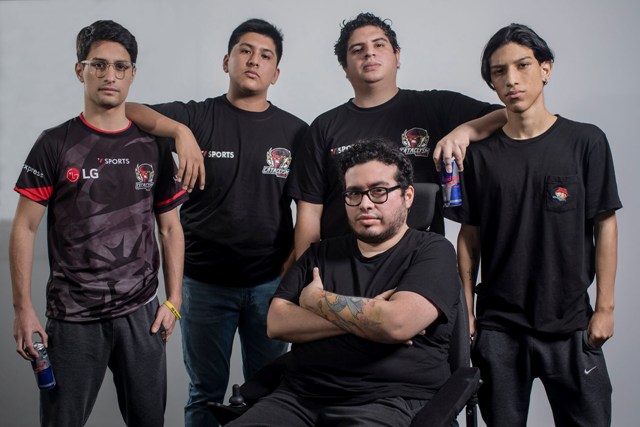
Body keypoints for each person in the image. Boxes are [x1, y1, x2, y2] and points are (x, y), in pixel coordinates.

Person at [125, 18, 308, 426]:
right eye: (245, 51)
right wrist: (179, 131)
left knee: (270, 394)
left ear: (276, 73)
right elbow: (127, 110)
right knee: (205, 394)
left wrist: (292, 268)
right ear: (227, 61)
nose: (254, 61)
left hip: (269, 286)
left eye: (265, 56)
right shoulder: (197, 117)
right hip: (205, 285)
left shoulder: (296, 132)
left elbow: (309, 211)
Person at [10, 20, 188, 427]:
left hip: (141, 315)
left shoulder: (152, 146)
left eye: (121, 67)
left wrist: (174, 300)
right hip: (73, 318)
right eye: (99, 65)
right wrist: (23, 309)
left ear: (132, 74)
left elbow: (170, 228)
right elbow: (24, 227)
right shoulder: (54, 143)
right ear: (81, 70)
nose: (110, 75)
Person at [449, 23, 621, 426]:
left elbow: (605, 225)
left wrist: (605, 308)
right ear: (492, 84)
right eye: (499, 72)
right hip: (499, 328)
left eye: (522, 65)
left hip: (571, 322)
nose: (512, 79)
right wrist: (467, 313)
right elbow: (468, 239)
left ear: (546, 68)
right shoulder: (480, 157)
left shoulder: (585, 142)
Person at [227, 139, 460, 426]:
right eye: (354, 193)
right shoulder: (321, 253)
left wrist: (316, 301)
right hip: (299, 396)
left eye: (379, 191)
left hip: (388, 399)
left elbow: (396, 324)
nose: (365, 204)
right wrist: (372, 316)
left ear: (408, 195)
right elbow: (277, 323)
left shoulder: (433, 251)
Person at [287, 12, 506, 258]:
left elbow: (508, 114)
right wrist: (307, 271)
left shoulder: (435, 108)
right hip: (341, 264)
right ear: (345, 67)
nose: (369, 53)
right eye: (358, 49)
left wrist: (465, 131)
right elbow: (310, 211)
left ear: (397, 55)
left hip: (417, 263)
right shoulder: (324, 126)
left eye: (379, 45)